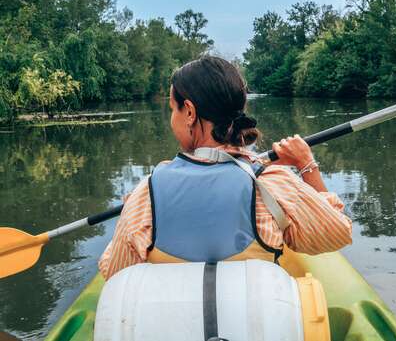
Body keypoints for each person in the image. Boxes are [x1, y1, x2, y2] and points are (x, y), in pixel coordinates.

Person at [99, 56, 352, 280]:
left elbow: (113, 272)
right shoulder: (273, 183)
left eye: (172, 109)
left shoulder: (147, 193)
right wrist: (306, 165)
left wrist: (129, 213)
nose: (171, 119)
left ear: (189, 112)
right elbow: (338, 232)